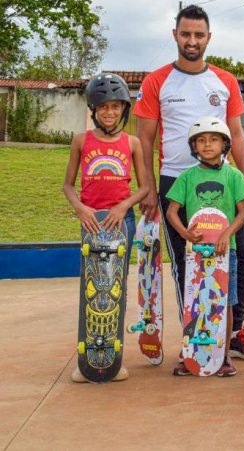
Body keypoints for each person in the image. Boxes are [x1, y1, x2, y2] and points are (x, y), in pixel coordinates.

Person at [134, 4, 244, 376]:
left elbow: (237, 134)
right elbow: (145, 139)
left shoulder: (224, 81)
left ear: (209, 37)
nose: (192, 41)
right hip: (177, 181)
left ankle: (235, 332)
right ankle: (196, 335)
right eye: (186, 34)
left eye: (199, 35)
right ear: (174, 34)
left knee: (238, 258)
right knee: (187, 264)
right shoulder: (157, 81)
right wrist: (146, 187)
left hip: (224, 181)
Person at [63, 72, 149, 383]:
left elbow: (145, 188)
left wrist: (124, 206)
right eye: (103, 108)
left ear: (124, 110)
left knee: (115, 290)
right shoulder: (80, 141)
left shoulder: (133, 143)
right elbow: (68, 186)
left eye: (115, 107)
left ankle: (113, 358)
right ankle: (87, 360)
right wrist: (81, 208)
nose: (109, 113)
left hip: (120, 223)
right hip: (91, 222)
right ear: (93, 110)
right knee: (91, 289)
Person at [165, 117, 244, 377]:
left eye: (213, 139)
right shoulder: (187, 176)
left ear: (225, 144)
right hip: (195, 254)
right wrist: (184, 233)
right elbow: (172, 211)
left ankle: (222, 355)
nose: (207, 145)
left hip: (227, 252)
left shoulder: (233, 175)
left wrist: (227, 233)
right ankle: (190, 352)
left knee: (223, 303)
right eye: (201, 141)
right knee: (195, 302)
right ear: (194, 146)